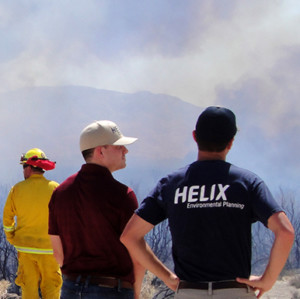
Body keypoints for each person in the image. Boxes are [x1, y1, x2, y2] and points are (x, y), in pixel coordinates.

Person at [121, 106, 295, 299]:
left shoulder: (171, 184)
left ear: (195, 137)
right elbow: (285, 232)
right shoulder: (247, 183)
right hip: (234, 292)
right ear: (231, 142)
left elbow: (130, 236)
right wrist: (268, 279)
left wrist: (167, 276)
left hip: (188, 291)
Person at [48, 120, 144, 299]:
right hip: (112, 291)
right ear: (100, 151)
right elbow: (138, 257)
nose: (125, 150)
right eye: (119, 146)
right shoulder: (123, 195)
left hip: (70, 289)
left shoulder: (59, 193)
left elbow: (57, 252)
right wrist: (136, 293)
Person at [3, 148, 62, 299]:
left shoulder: (17, 189)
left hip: (26, 250)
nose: (23, 171)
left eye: (23, 167)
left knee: (28, 289)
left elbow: (7, 220)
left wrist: (12, 238)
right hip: (50, 250)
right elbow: (65, 217)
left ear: (29, 168)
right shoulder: (55, 188)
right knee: (52, 289)